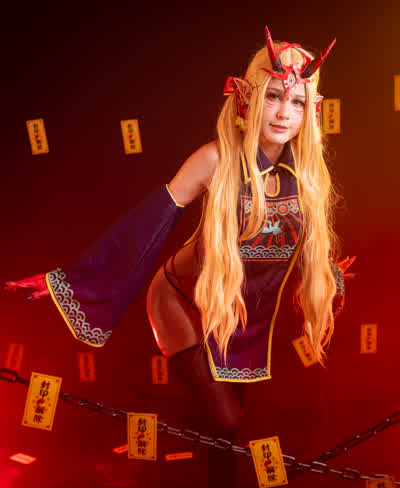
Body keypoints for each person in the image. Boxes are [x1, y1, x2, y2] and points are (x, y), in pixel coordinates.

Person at [5, 26, 353, 441]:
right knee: (227, 420)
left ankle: (203, 469)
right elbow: (147, 226)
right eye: (273, 96)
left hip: (238, 310)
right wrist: (70, 282)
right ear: (248, 97)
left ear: (311, 111)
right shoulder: (214, 160)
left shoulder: (310, 176)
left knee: (236, 422)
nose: (283, 114)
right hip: (180, 299)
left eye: (297, 102)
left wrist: (327, 273)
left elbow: (299, 239)